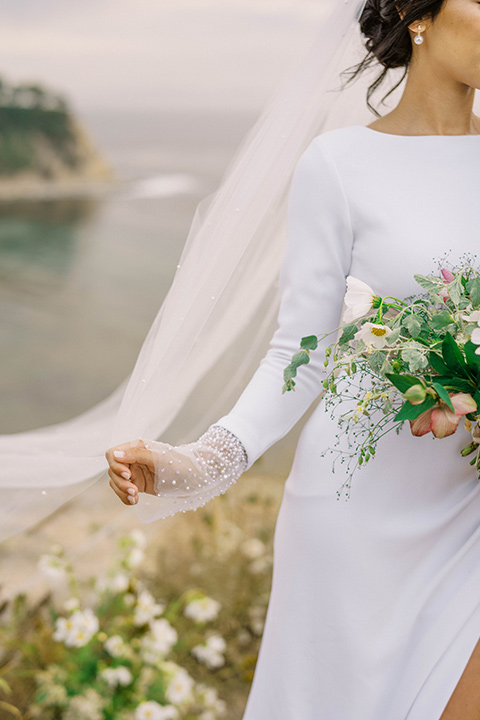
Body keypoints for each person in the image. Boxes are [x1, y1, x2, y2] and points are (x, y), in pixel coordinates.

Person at [109, 0, 480, 717]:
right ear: (417, 16)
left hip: (465, 510)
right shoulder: (340, 163)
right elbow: (299, 354)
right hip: (355, 504)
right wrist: (201, 462)